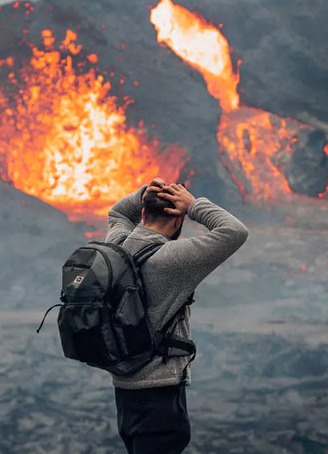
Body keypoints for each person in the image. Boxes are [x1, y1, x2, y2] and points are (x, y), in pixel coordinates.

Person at [105, 178, 249, 454]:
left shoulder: (117, 247)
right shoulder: (174, 260)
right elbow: (235, 231)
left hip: (124, 391)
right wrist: (193, 204)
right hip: (159, 394)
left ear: (144, 214)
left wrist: (142, 194)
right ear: (177, 220)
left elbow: (119, 213)